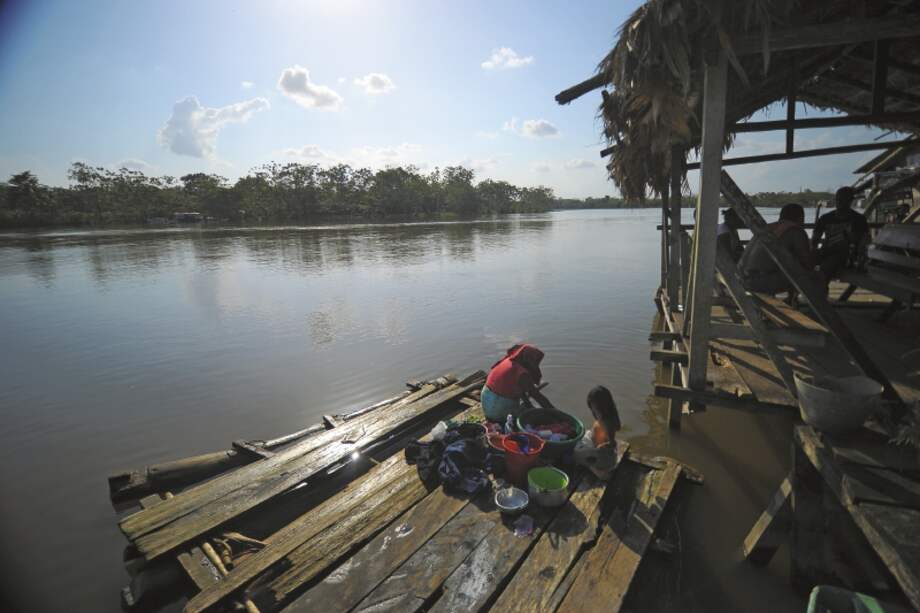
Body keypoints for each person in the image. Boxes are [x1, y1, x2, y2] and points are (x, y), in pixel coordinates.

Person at [738, 203, 814, 296]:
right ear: (800, 217)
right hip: (760, 282)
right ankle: (818, 304)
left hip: (741, 278)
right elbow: (807, 262)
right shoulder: (795, 230)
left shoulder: (767, 227)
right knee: (814, 277)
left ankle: (791, 299)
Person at [481, 343, 553, 421]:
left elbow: (520, 388)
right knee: (535, 418)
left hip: (487, 400)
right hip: (497, 408)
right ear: (529, 359)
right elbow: (537, 396)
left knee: (527, 407)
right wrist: (554, 411)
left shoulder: (509, 360)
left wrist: (528, 404)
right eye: (535, 360)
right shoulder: (521, 373)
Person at [812, 186, 869, 283]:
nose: (840, 202)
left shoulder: (859, 219)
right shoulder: (826, 218)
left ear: (850, 201)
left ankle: (819, 288)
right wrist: (813, 250)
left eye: (843, 199)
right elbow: (815, 239)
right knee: (803, 260)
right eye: (838, 199)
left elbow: (862, 243)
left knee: (828, 265)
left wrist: (859, 260)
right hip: (826, 252)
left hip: (846, 256)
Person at [575, 385, 622, 479]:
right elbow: (617, 428)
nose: (593, 412)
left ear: (602, 408)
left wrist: (600, 448)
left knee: (575, 453)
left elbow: (612, 443)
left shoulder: (607, 423)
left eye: (594, 409)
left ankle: (596, 470)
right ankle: (596, 467)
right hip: (599, 448)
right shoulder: (610, 416)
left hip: (604, 458)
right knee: (582, 436)